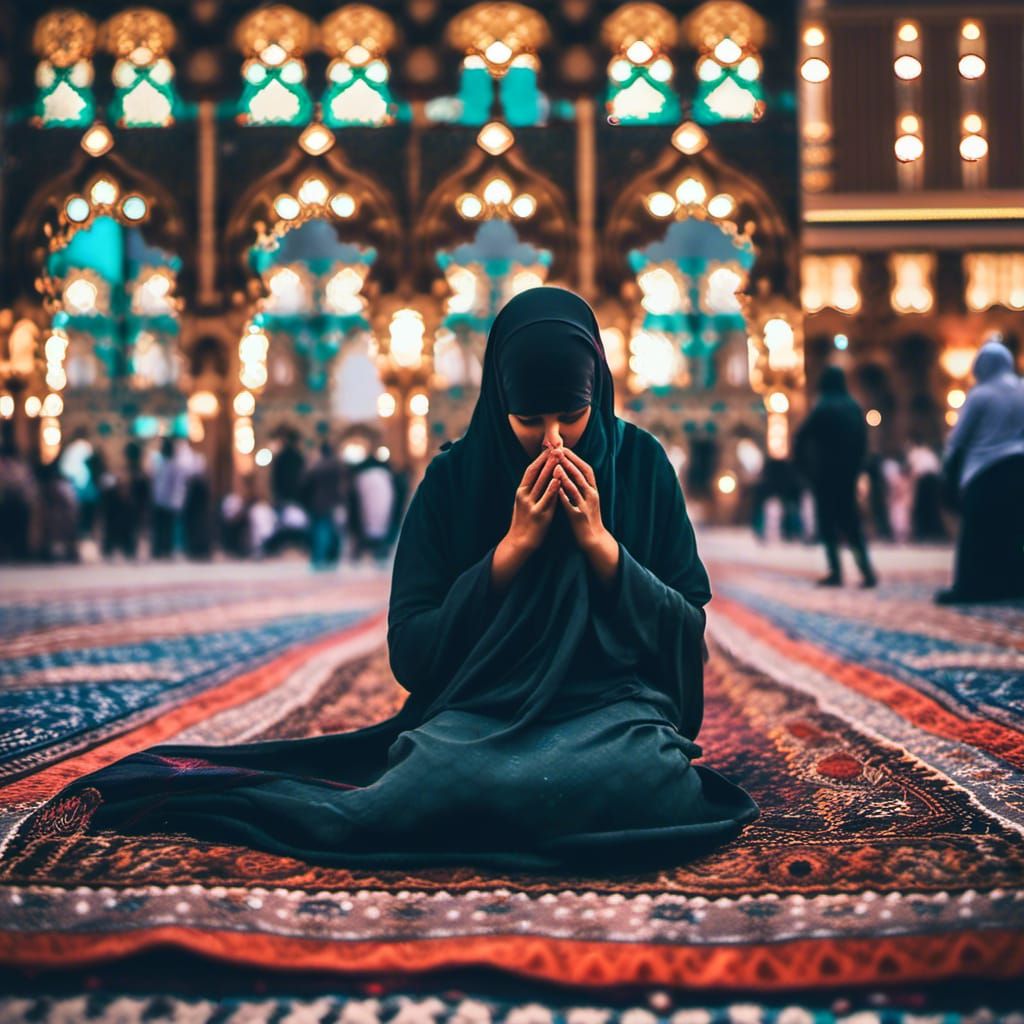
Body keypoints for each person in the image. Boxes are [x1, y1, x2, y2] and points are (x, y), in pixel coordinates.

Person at [27, 287, 758, 872]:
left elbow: (685, 629)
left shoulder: (641, 465)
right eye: (528, 419)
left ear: (598, 390)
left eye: (572, 412)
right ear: (495, 403)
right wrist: (511, 552)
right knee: (430, 785)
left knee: (651, 781)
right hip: (481, 715)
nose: (555, 440)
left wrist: (601, 546)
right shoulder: (453, 479)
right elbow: (413, 652)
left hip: (611, 713)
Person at [935, 340, 1024, 603]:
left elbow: (959, 439)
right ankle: (1014, 584)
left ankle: (969, 588)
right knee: (1014, 532)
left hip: (985, 473)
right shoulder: (1022, 389)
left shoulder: (981, 394)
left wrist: (948, 471)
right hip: (1019, 468)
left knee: (976, 535)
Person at [795, 366, 878, 588]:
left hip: (825, 475)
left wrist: (805, 469)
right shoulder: (853, 407)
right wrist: (858, 468)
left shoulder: (823, 407)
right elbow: (863, 442)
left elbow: (801, 438)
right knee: (851, 523)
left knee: (828, 524)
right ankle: (866, 571)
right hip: (848, 474)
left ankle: (836, 571)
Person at [303, 440, 348, 569]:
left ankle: (319, 558)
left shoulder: (317, 466)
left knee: (321, 530)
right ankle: (330, 557)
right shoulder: (337, 466)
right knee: (331, 530)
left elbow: (306, 484)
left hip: (318, 503)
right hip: (333, 502)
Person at [349, 450, 399, 564]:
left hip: (365, 516)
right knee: (379, 529)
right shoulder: (385, 476)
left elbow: (356, 500)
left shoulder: (361, 477)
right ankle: (379, 551)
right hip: (383, 515)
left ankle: (366, 551)